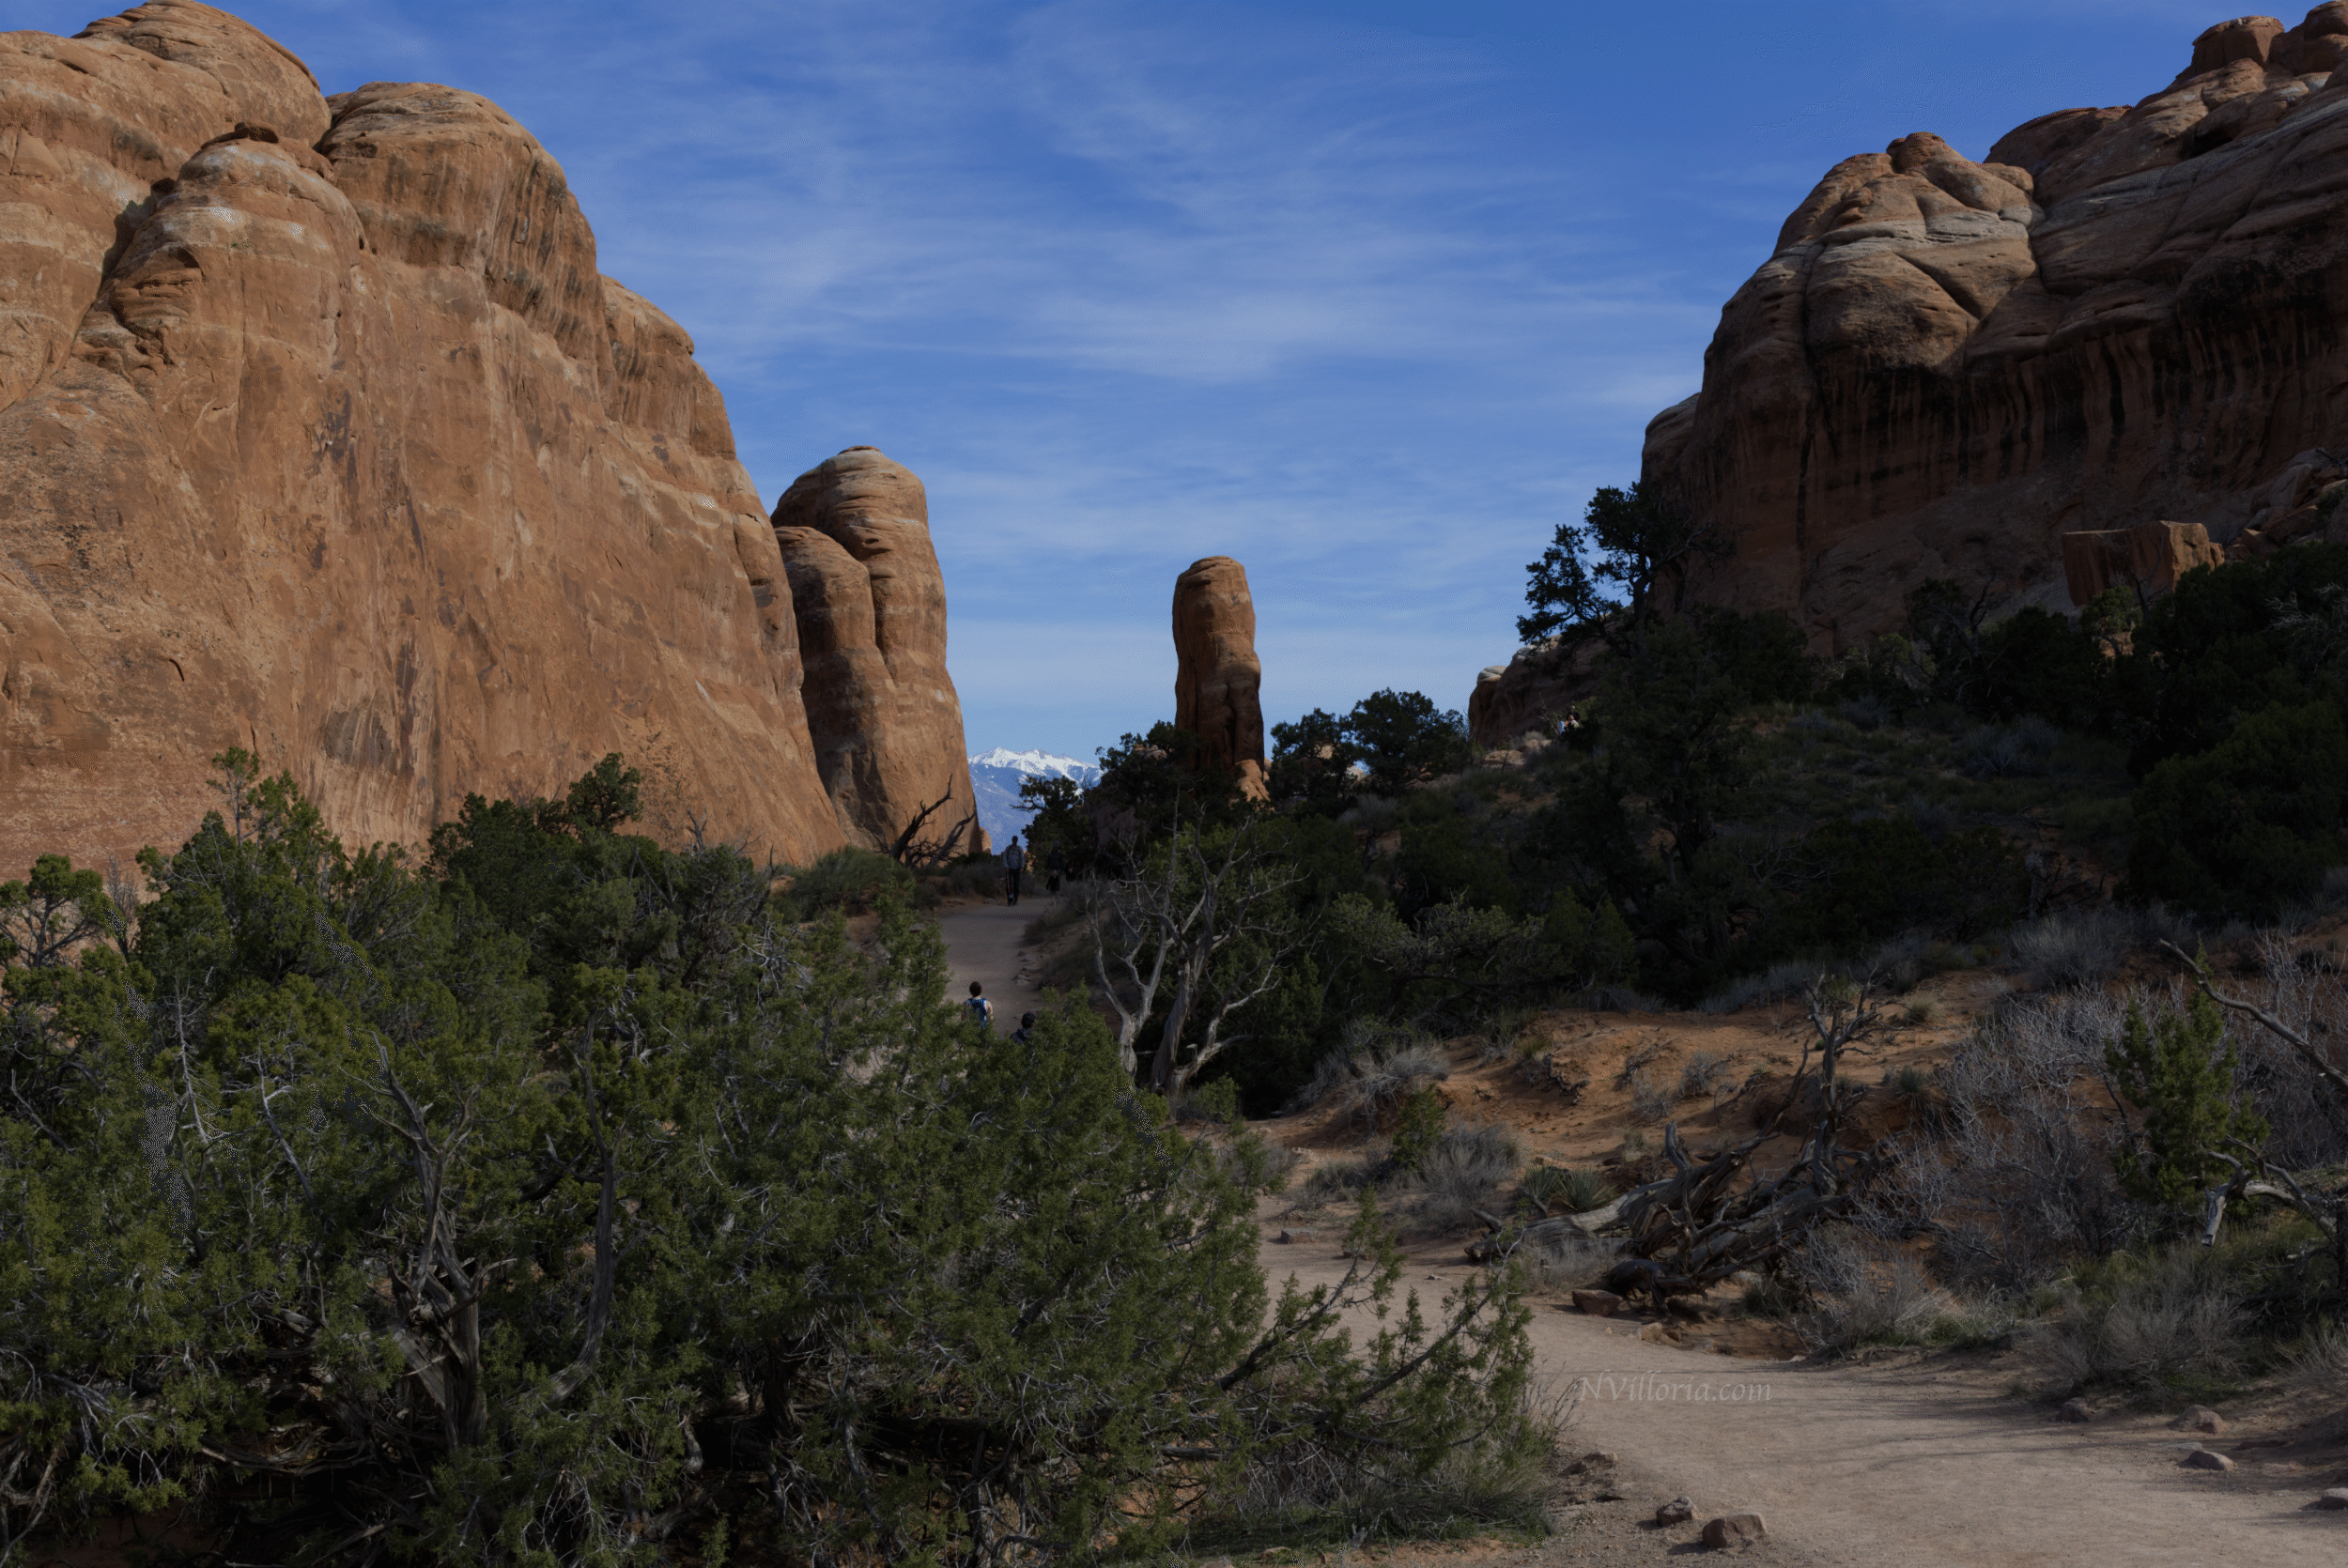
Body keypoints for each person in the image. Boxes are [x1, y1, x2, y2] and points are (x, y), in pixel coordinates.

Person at [1003, 835, 1026, 905]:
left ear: (1017, 841)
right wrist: (1006, 865)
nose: (1014, 841)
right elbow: (1004, 857)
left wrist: (1022, 866)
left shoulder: (1019, 849)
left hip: (1017, 868)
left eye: (1016, 840)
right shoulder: (1008, 848)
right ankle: (1009, 899)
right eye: (1014, 840)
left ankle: (1015, 899)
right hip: (1009, 869)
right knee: (1008, 885)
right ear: (1012, 840)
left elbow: (1022, 858)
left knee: (1016, 885)